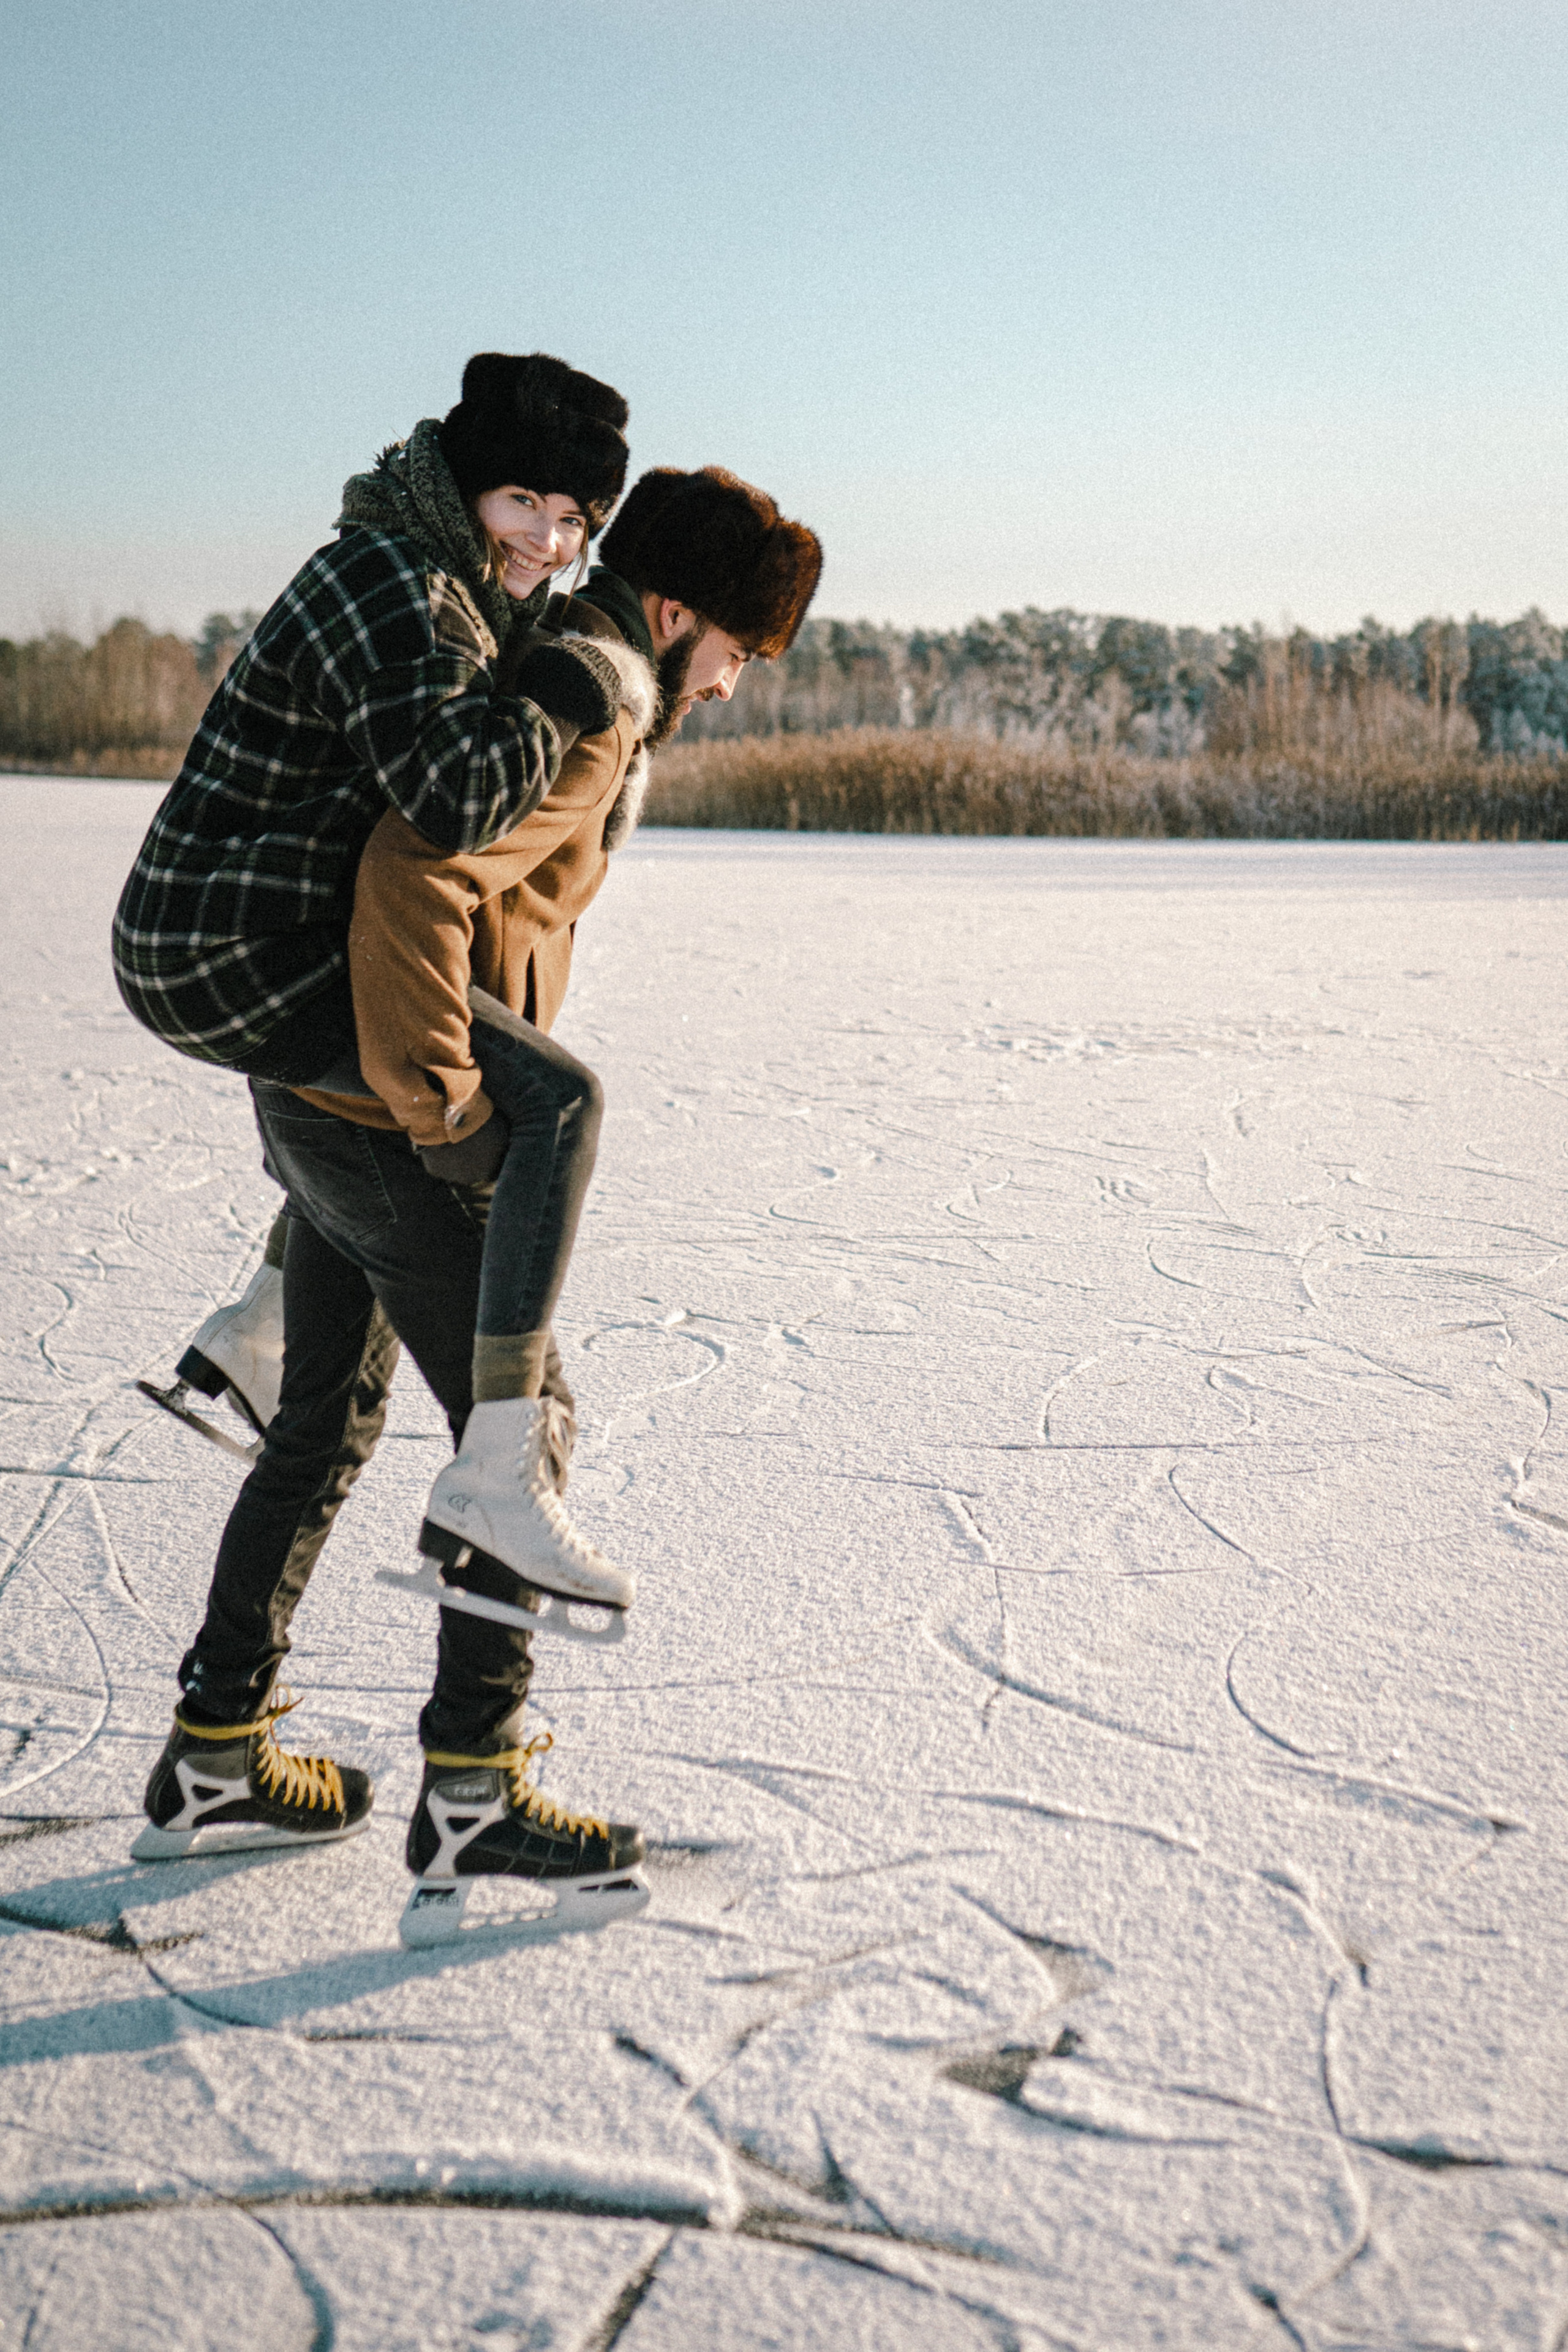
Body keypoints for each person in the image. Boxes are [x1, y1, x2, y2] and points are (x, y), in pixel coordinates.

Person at [121, 397, 823, 1942]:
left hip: (327, 1091)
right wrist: (444, 1104)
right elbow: (413, 869)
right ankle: (474, 1795)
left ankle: (214, 1756)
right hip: (382, 1103)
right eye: (742, 650)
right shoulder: (600, 693)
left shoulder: (553, 656)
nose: (735, 682)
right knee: (521, 1427)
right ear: (678, 612)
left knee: (326, 1420)